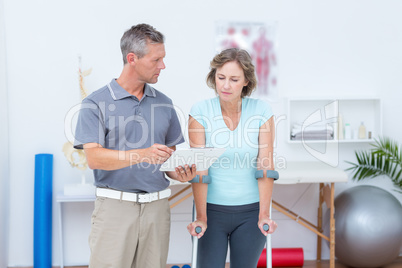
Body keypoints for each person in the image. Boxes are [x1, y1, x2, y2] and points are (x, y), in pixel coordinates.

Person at [74, 23, 196, 268]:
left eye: (163, 58)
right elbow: (95, 158)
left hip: (158, 209)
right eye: (156, 59)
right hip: (114, 210)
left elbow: (166, 161)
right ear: (132, 58)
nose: (163, 65)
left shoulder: (164, 103)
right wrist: (141, 154)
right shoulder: (95, 103)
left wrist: (180, 172)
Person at [187, 48, 278, 268]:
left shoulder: (262, 111)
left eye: (234, 79)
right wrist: (201, 216)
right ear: (214, 77)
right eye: (221, 78)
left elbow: (265, 163)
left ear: (246, 81)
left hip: (251, 212)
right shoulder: (200, 111)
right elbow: (201, 168)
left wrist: (264, 214)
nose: (226, 85)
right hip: (211, 210)